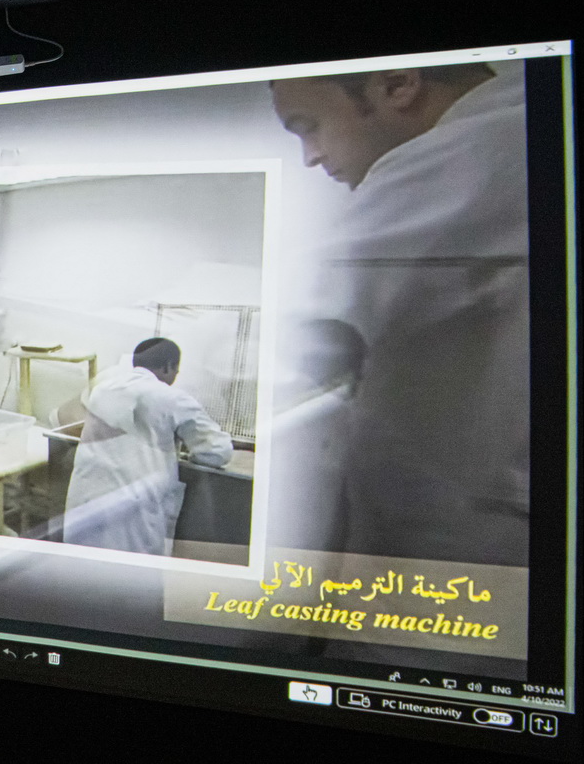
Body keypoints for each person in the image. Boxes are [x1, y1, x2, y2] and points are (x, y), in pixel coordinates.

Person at [269, 62, 528, 565]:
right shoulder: (521, 133)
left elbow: (298, 325)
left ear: (397, 84)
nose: (310, 156)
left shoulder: (470, 151)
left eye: (310, 126)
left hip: (454, 552)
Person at [62, 337, 233, 555]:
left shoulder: (102, 390)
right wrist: (191, 454)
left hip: (88, 500)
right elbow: (218, 451)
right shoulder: (173, 399)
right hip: (134, 511)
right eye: (176, 371)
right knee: (131, 571)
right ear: (168, 367)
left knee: (83, 566)